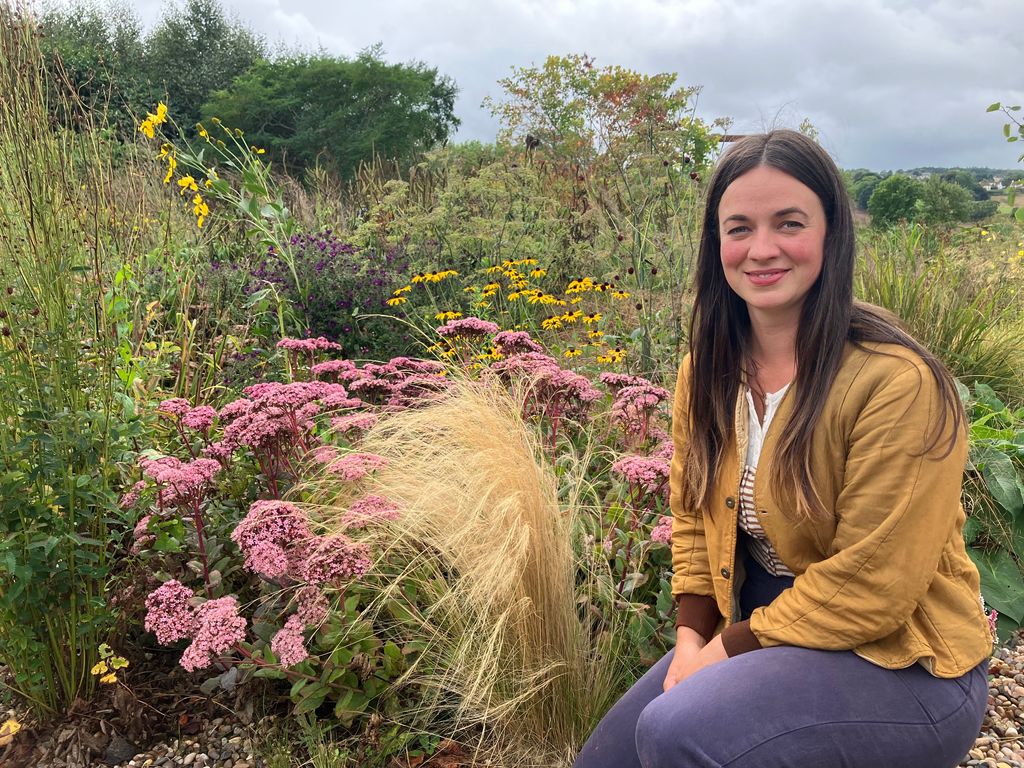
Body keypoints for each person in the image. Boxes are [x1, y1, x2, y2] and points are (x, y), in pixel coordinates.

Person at [573, 130, 993, 768]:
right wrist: (691, 639)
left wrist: (721, 653)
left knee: (679, 735)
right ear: (717, 245)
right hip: (768, 633)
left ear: (831, 233)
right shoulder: (707, 371)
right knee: (611, 758)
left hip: (904, 662)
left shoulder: (896, 383)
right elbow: (691, 516)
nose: (761, 249)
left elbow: (874, 588)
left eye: (789, 223)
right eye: (739, 228)